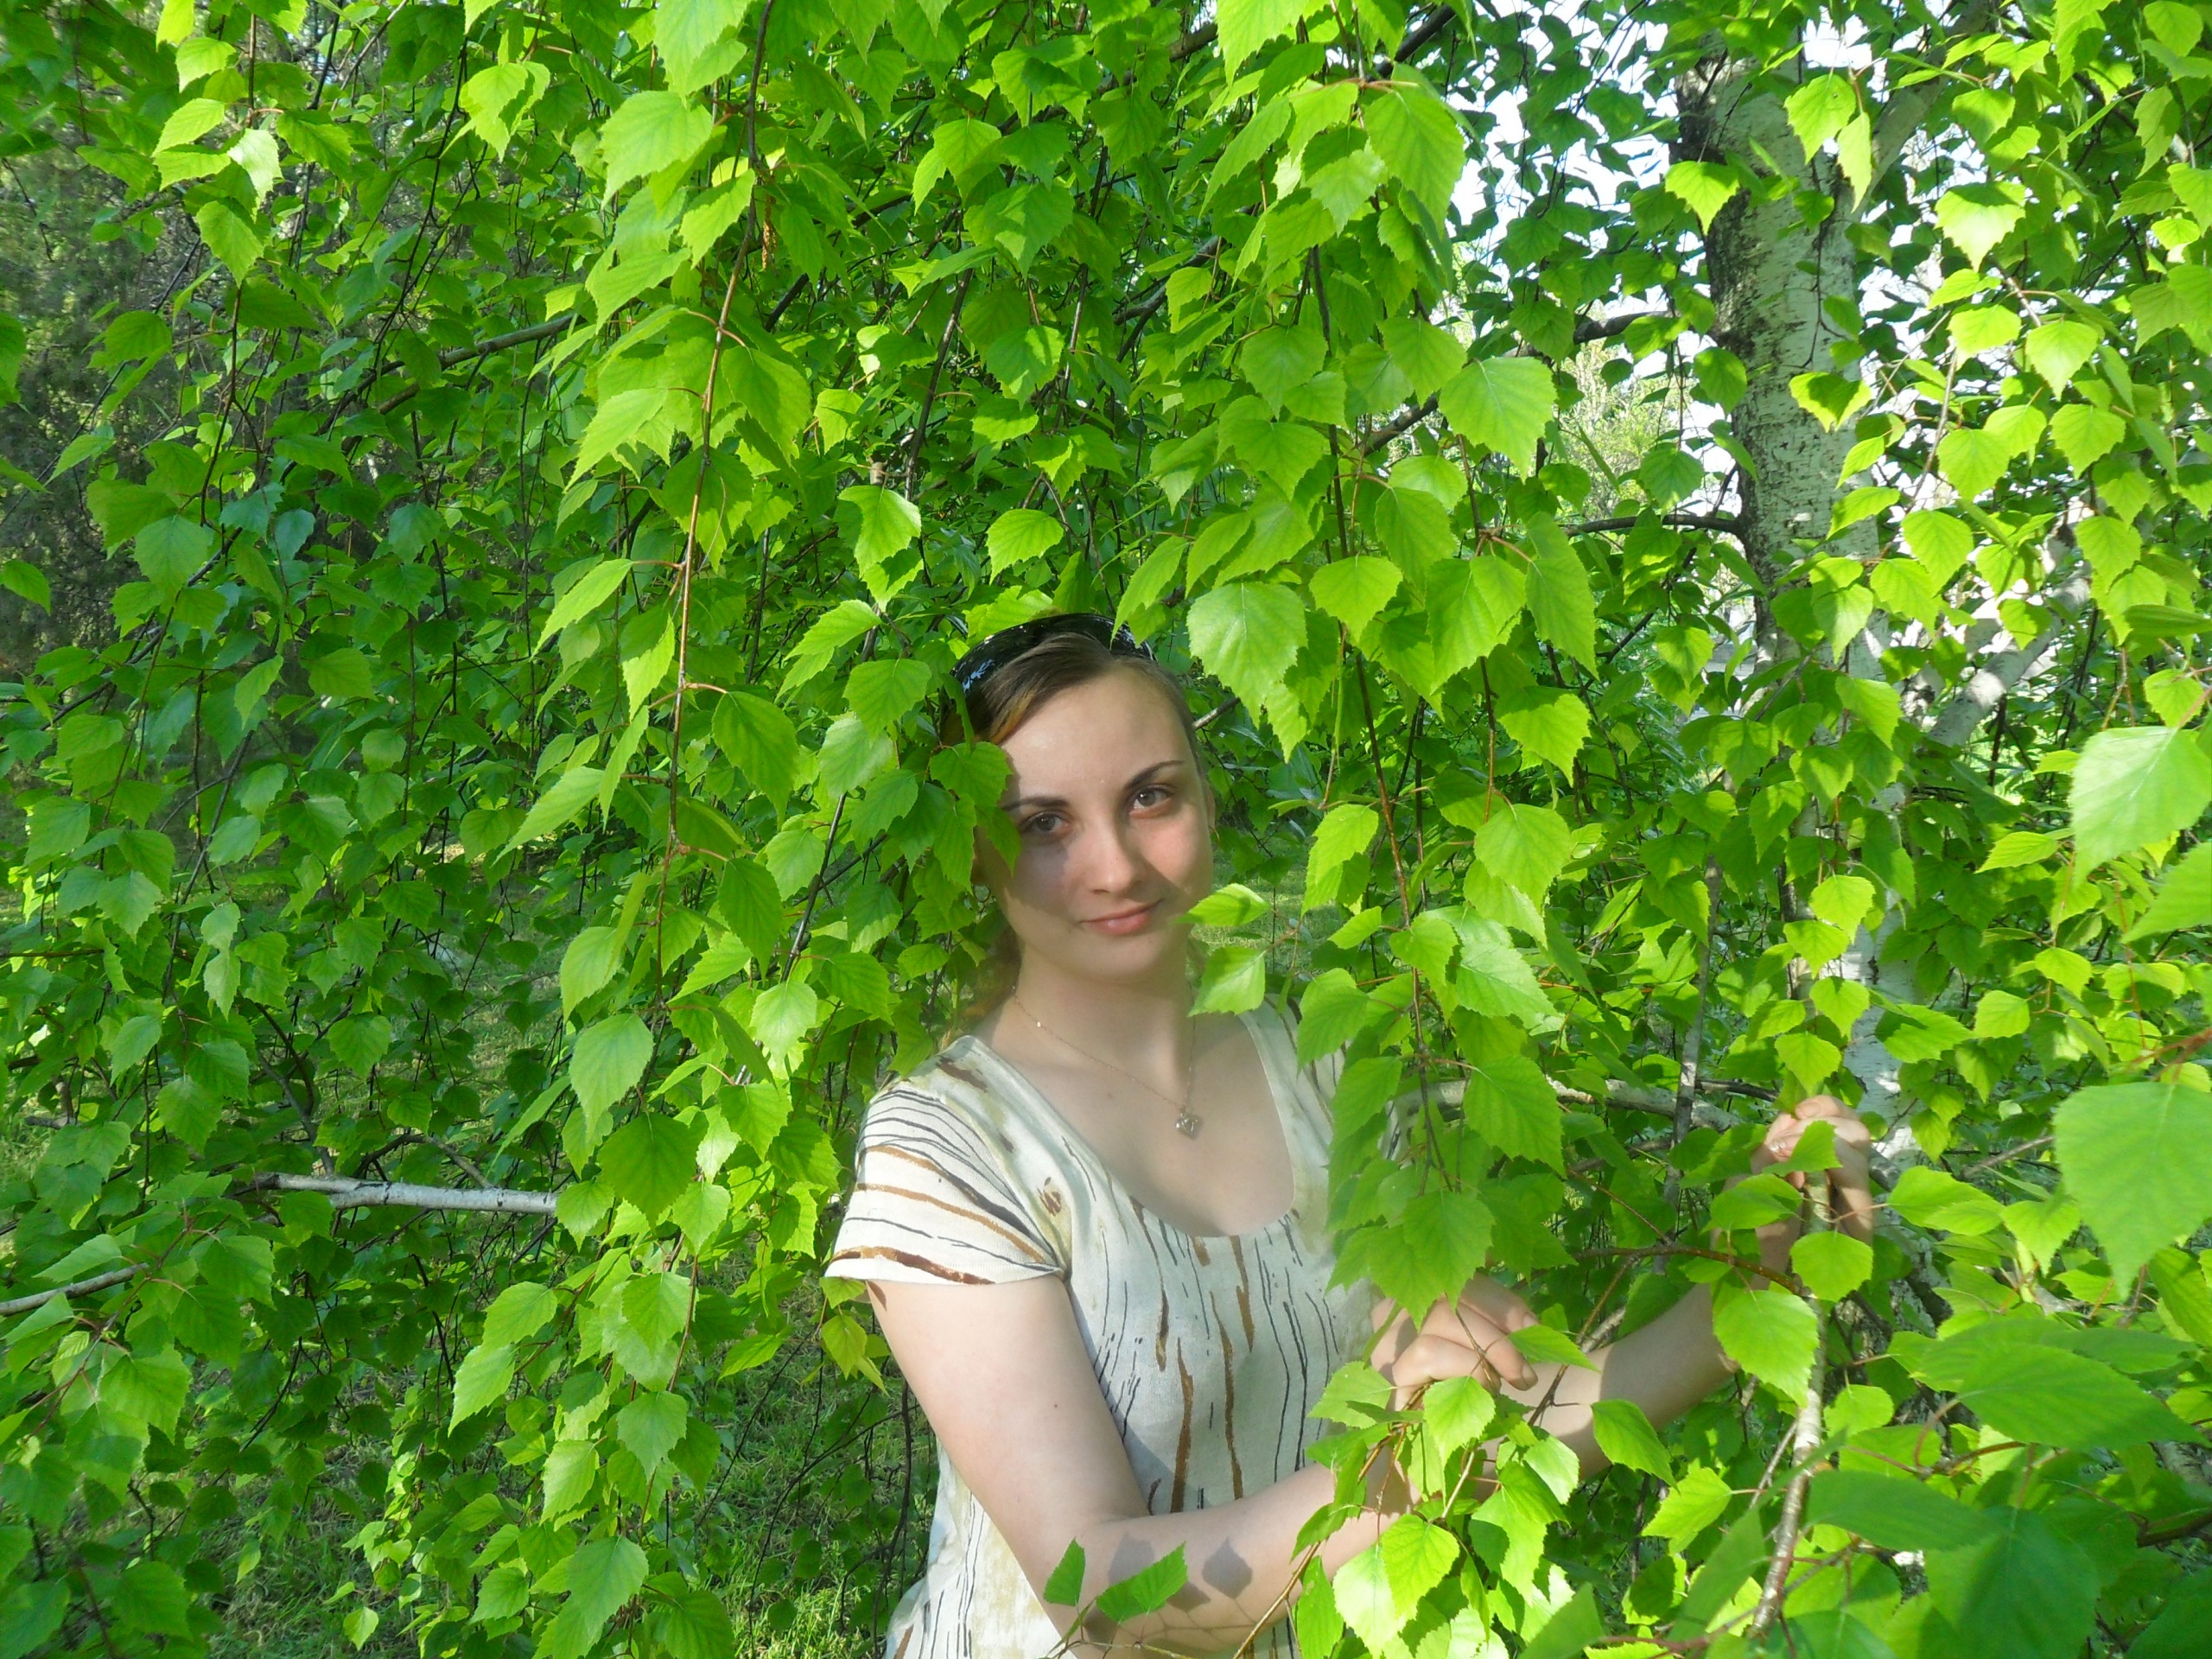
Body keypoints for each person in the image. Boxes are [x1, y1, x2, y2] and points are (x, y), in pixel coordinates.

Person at [822, 614, 1875, 1659]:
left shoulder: (1322, 1068)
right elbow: (1095, 1589)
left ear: (1206, 798)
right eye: (1043, 822)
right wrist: (1400, 1475)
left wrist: (1755, 1284)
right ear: (976, 850)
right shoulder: (948, 1147)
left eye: (1150, 796)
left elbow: (1482, 1426)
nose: (1115, 867)